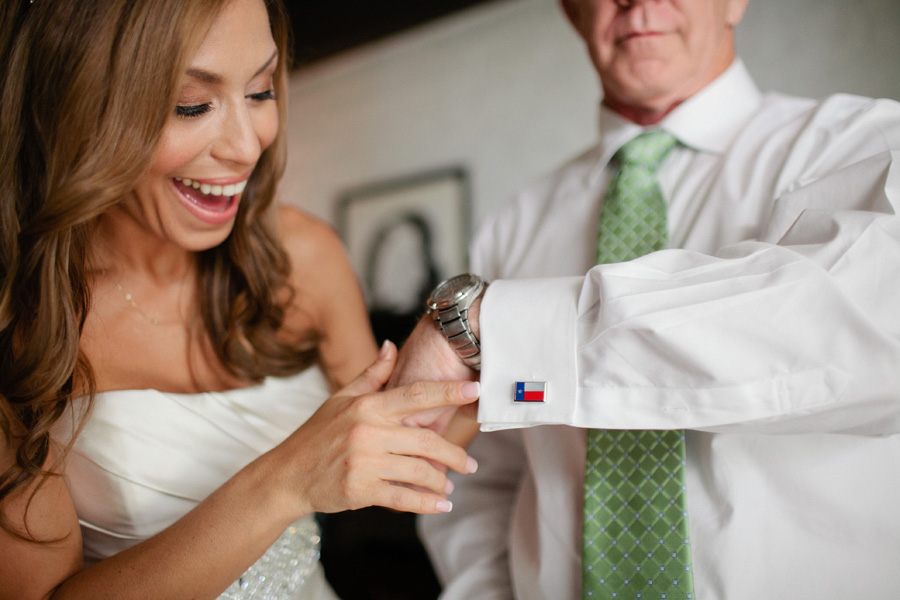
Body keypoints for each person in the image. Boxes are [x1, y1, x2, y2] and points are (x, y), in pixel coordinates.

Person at [391, 0, 900, 598]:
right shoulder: (514, 223)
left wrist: (492, 325)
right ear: (572, 12)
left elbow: (856, 324)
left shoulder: (861, 145)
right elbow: (483, 473)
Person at [0, 1, 479, 599]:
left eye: (259, 92)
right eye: (192, 105)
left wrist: (465, 330)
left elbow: (408, 450)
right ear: (74, 105)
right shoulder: (19, 326)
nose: (247, 146)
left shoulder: (301, 256)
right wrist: (285, 482)